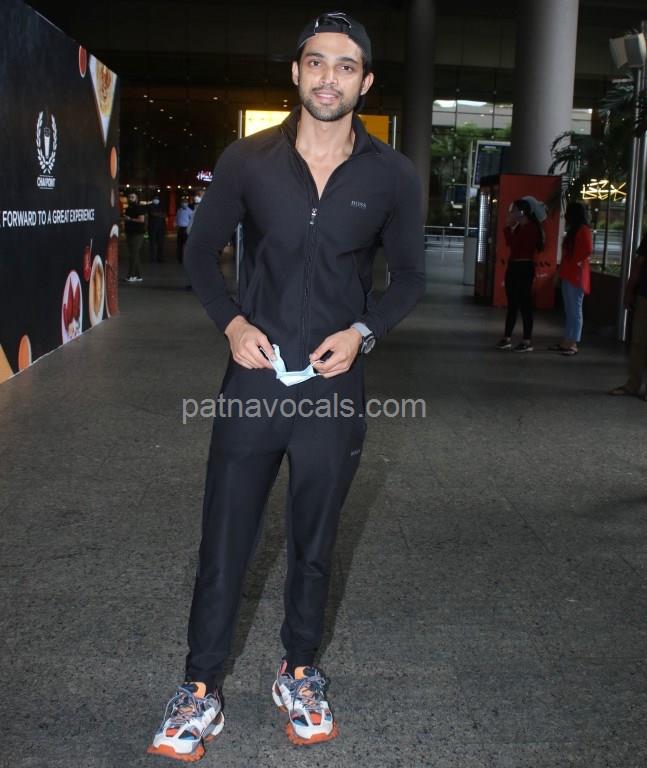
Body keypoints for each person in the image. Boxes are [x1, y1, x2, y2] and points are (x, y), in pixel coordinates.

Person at [148, 10, 425, 762]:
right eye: (316, 62)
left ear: (365, 81)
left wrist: (364, 332)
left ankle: (298, 671)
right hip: (254, 383)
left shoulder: (392, 175)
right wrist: (232, 324)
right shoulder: (248, 160)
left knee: (315, 541)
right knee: (225, 536)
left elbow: (408, 277)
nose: (328, 78)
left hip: (333, 389)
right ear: (297, 73)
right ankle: (199, 686)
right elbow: (201, 255)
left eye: (345, 66)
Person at [496, 197, 546, 352]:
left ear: (523, 212)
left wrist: (508, 228)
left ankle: (526, 340)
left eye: (515, 210)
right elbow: (512, 244)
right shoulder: (520, 227)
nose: (512, 213)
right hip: (515, 266)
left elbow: (514, 244)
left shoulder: (530, 228)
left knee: (525, 304)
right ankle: (507, 337)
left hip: (523, 267)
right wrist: (510, 228)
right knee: (512, 303)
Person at [549, 202, 592, 356]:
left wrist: (575, 262)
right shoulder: (576, 230)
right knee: (570, 309)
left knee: (574, 309)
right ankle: (568, 340)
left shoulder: (583, 230)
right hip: (570, 273)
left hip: (576, 275)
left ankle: (573, 342)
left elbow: (587, 250)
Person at [609, 234, 647, 398]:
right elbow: (639, 263)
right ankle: (632, 385)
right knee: (638, 342)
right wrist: (629, 291)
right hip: (644, 295)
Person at [123, 191, 145, 282]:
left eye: (133, 197)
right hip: (130, 233)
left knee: (133, 255)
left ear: (136, 198)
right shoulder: (128, 208)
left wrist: (130, 219)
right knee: (135, 255)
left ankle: (131, 275)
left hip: (137, 234)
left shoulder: (139, 208)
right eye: (129, 197)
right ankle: (138, 276)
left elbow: (141, 220)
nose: (130, 199)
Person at [147, 196, 166, 263]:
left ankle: (160, 258)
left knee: (160, 243)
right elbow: (153, 214)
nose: (156, 200)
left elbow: (164, 215)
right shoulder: (150, 206)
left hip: (161, 228)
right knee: (152, 243)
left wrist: (157, 214)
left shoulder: (161, 206)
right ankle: (152, 258)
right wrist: (160, 214)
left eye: (157, 199)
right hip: (152, 227)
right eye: (155, 199)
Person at [175, 196, 194, 263]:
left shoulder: (190, 211)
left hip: (186, 229)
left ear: (187, 203)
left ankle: (187, 258)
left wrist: (190, 229)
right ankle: (179, 258)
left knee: (186, 245)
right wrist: (176, 225)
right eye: (183, 202)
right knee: (179, 245)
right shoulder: (179, 210)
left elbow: (192, 221)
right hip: (180, 229)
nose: (184, 203)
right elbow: (177, 219)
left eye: (185, 202)